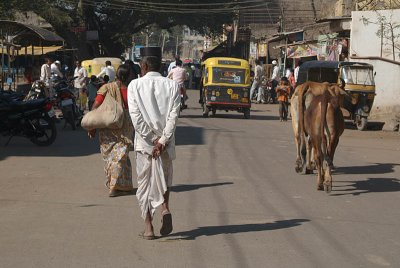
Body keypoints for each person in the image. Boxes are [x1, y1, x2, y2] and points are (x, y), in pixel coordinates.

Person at [128, 47, 180, 240]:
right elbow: (173, 117)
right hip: (165, 145)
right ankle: (164, 208)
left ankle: (148, 228)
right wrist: (163, 140)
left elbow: (136, 117)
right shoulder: (172, 86)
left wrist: (152, 140)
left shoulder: (134, 85)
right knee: (164, 181)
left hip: (145, 144)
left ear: (144, 65)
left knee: (144, 184)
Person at [88, 64, 134, 197]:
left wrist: (92, 126)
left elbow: (95, 106)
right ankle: (114, 186)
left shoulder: (106, 88)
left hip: (106, 127)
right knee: (120, 157)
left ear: (117, 75)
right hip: (125, 127)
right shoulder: (133, 90)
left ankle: (123, 185)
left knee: (114, 157)